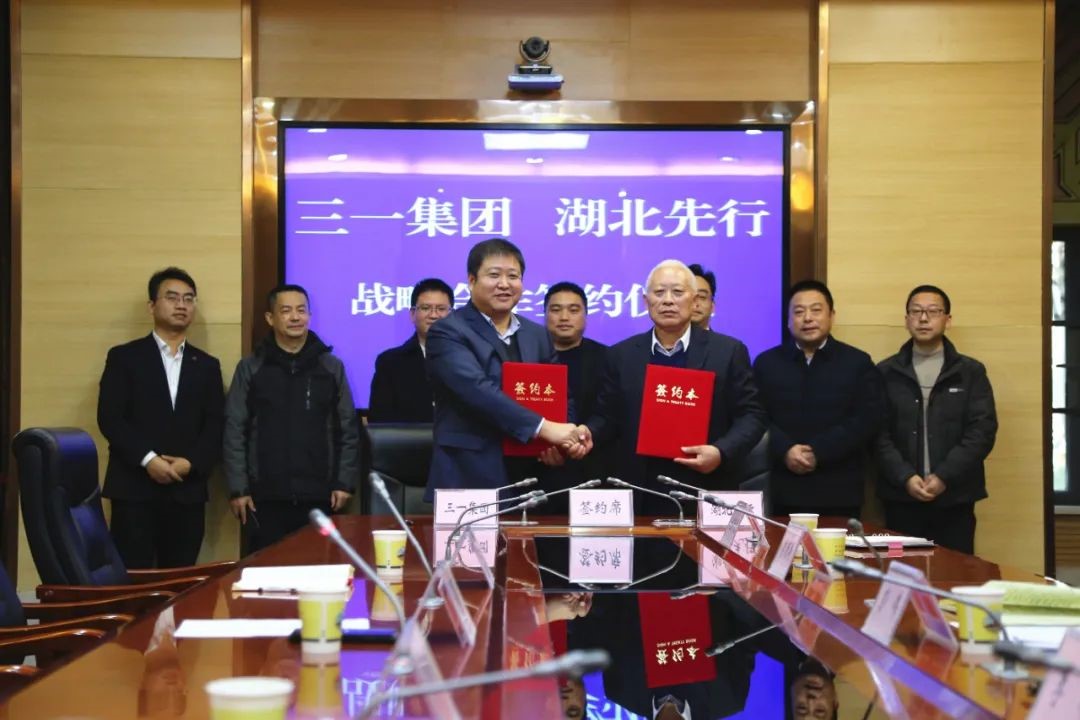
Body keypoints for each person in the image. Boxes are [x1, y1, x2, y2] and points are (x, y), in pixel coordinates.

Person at [584, 260, 765, 515]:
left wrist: (721, 452)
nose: (668, 300)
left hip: (704, 487)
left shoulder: (728, 352)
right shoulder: (621, 355)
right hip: (640, 489)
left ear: (695, 300)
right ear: (645, 301)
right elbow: (607, 416)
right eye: (659, 292)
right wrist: (586, 433)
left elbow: (752, 416)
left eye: (677, 292)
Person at [423, 238, 589, 499]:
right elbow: (477, 390)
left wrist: (563, 441)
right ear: (471, 280)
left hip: (530, 474)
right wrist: (546, 429)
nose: (504, 284)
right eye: (494, 275)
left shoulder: (537, 334)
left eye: (513, 276)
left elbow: (559, 394)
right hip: (468, 473)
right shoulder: (447, 332)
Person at [98, 267, 224, 569]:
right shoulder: (124, 357)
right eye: (172, 297)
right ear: (152, 306)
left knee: (179, 581)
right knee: (133, 580)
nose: (181, 305)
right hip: (134, 488)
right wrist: (149, 460)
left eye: (189, 299)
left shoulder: (207, 365)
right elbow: (110, 418)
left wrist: (190, 463)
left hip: (187, 490)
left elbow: (215, 425)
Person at [223, 283, 363, 552]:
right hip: (264, 497)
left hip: (320, 496)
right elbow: (234, 429)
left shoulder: (331, 367)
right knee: (266, 572)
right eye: (286, 311)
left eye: (301, 310)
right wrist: (239, 489)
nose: (296, 317)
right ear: (270, 318)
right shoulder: (251, 367)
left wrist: (344, 483)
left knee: (317, 570)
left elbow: (347, 428)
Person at [875, 285, 997, 553]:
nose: (923, 318)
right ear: (906, 319)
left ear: (947, 320)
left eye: (933, 311)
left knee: (955, 572)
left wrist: (944, 476)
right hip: (901, 497)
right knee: (902, 571)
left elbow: (982, 431)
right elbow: (878, 434)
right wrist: (905, 477)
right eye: (916, 311)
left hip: (955, 497)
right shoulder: (886, 372)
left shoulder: (970, 372)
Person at [753, 280, 883, 519]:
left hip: (839, 489)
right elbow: (756, 416)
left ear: (831, 316)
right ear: (788, 320)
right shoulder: (766, 363)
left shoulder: (857, 362)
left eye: (816, 310)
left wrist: (819, 451)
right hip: (782, 488)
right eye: (799, 311)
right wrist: (785, 449)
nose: (808, 318)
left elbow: (867, 418)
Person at [541, 282, 611, 511]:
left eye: (573, 310)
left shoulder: (608, 358)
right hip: (539, 468)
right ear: (544, 315)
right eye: (556, 309)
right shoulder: (529, 356)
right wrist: (541, 447)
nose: (564, 317)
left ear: (586, 316)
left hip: (593, 467)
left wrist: (586, 434)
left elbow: (610, 410)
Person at [368, 277, 453, 422]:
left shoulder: (469, 358)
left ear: (452, 315)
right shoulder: (390, 363)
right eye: (425, 308)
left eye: (441, 309)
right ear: (413, 314)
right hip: (408, 437)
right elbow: (379, 421)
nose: (433, 315)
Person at [687, 263, 716, 331]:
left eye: (702, 296)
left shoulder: (724, 339)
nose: (695, 304)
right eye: (690, 296)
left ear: (712, 307)